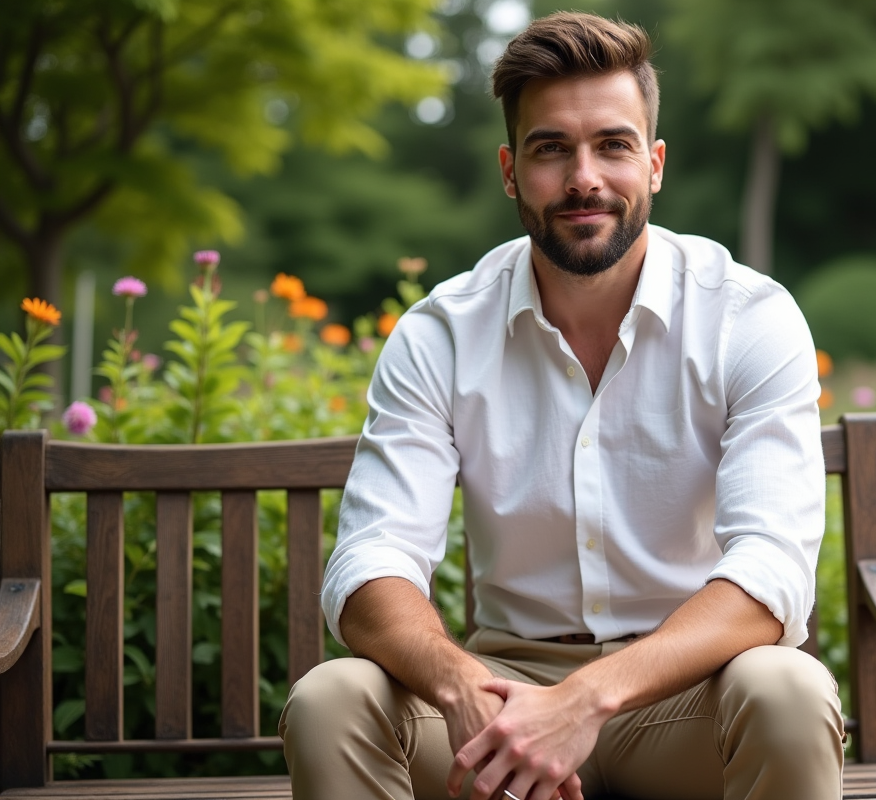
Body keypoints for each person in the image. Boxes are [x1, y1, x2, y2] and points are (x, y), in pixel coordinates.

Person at [279, 11, 844, 800]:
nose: (585, 177)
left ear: (654, 164)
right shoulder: (441, 333)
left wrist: (587, 699)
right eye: (552, 149)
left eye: (612, 145)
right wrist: (461, 687)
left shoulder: (748, 316)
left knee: (789, 691)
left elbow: (772, 570)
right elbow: (372, 564)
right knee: (330, 702)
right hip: (501, 691)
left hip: (682, 696)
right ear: (511, 171)